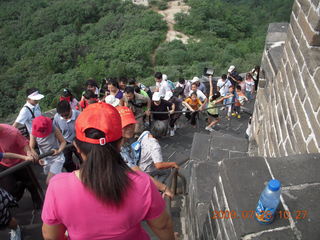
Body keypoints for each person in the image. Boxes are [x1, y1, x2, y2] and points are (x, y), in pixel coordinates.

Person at [41, 102, 175, 240]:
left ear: (77, 147)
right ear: (120, 143)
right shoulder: (142, 183)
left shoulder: (57, 187)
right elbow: (163, 226)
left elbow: (50, 235)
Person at [116, 106, 174, 198]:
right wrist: (164, 188)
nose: (130, 128)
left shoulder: (135, 137)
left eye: (131, 124)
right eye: (125, 125)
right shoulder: (119, 148)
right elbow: (140, 172)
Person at [0, 124, 41, 208]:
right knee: (9, 189)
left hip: (20, 162)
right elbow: (4, 155)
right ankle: (20, 187)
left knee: (30, 183)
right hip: (4, 164)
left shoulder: (12, 132)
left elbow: (24, 145)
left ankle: (36, 199)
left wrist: (29, 153)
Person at [30, 116, 66, 184]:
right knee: (56, 178)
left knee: (49, 181)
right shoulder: (33, 132)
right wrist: (37, 157)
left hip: (57, 158)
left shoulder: (53, 128)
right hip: (45, 159)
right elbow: (31, 147)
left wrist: (59, 150)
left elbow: (63, 142)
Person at [53, 100, 81, 172]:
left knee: (83, 158)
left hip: (79, 141)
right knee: (66, 162)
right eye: (62, 115)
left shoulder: (79, 115)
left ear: (70, 109)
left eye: (66, 115)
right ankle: (74, 172)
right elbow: (57, 131)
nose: (64, 117)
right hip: (65, 142)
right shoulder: (57, 118)